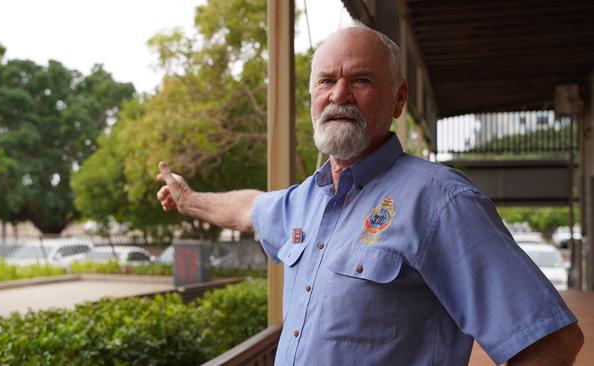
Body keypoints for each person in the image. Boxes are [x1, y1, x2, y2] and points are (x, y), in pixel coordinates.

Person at [156, 25, 584, 365]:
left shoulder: (441, 201)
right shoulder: (305, 200)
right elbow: (249, 209)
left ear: (398, 99)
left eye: (360, 79)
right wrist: (188, 199)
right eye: (326, 80)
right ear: (312, 97)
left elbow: (550, 341)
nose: (338, 95)